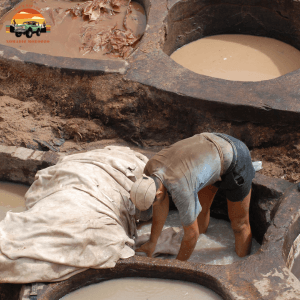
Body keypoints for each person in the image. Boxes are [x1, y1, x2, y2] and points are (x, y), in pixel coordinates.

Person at [130, 132, 255, 261]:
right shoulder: (150, 170)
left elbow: (191, 235)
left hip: (235, 156)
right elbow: (160, 206)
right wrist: (152, 242)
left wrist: (176, 267)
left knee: (240, 224)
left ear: (159, 194)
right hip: (208, 151)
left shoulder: (180, 188)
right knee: (201, 212)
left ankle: (241, 262)